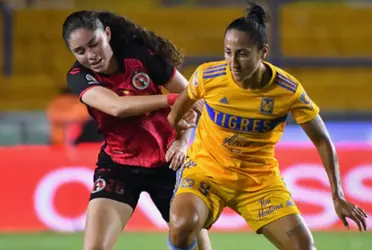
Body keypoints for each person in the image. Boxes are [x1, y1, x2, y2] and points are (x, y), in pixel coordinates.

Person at [167, 2, 368, 250]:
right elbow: (177, 112)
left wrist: (338, 195)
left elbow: (322, 140)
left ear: (263, 52)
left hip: (259, 184)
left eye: (242, 53)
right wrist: (179, 139)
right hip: (206, 172)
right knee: (181, 226)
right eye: (228, 52)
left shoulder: (287, 90)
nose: (233, 63)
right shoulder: (207, 76)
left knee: (304, 246)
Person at [62, 10, 211, 250]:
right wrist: (170, 100)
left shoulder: (142, 56)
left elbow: (192, 100)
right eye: (80, 51)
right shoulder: (79, 77)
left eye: (94, 44)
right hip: (119, 165)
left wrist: (183, 142)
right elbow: (116, 107)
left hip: (170, 161)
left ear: (107, 34)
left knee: (195, 244)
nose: (91, 56)